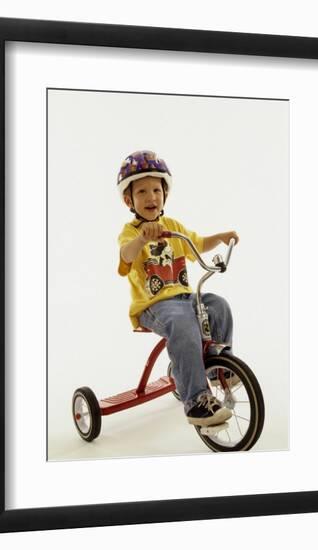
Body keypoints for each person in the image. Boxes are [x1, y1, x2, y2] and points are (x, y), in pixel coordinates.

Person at [117, 150, 239, 428]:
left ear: (165, 195)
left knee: (218, 305)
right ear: (129, 200)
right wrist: (140, 239)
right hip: (154, 305)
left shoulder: (172, 226)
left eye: (157, 190)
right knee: (183, 324)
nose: (151, 197)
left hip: (184, 297)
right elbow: (125, 257)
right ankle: (197, 401)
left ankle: (218, 365)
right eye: (143, 192)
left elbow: (196, 244)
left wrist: (218, 238)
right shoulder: (130, 232)